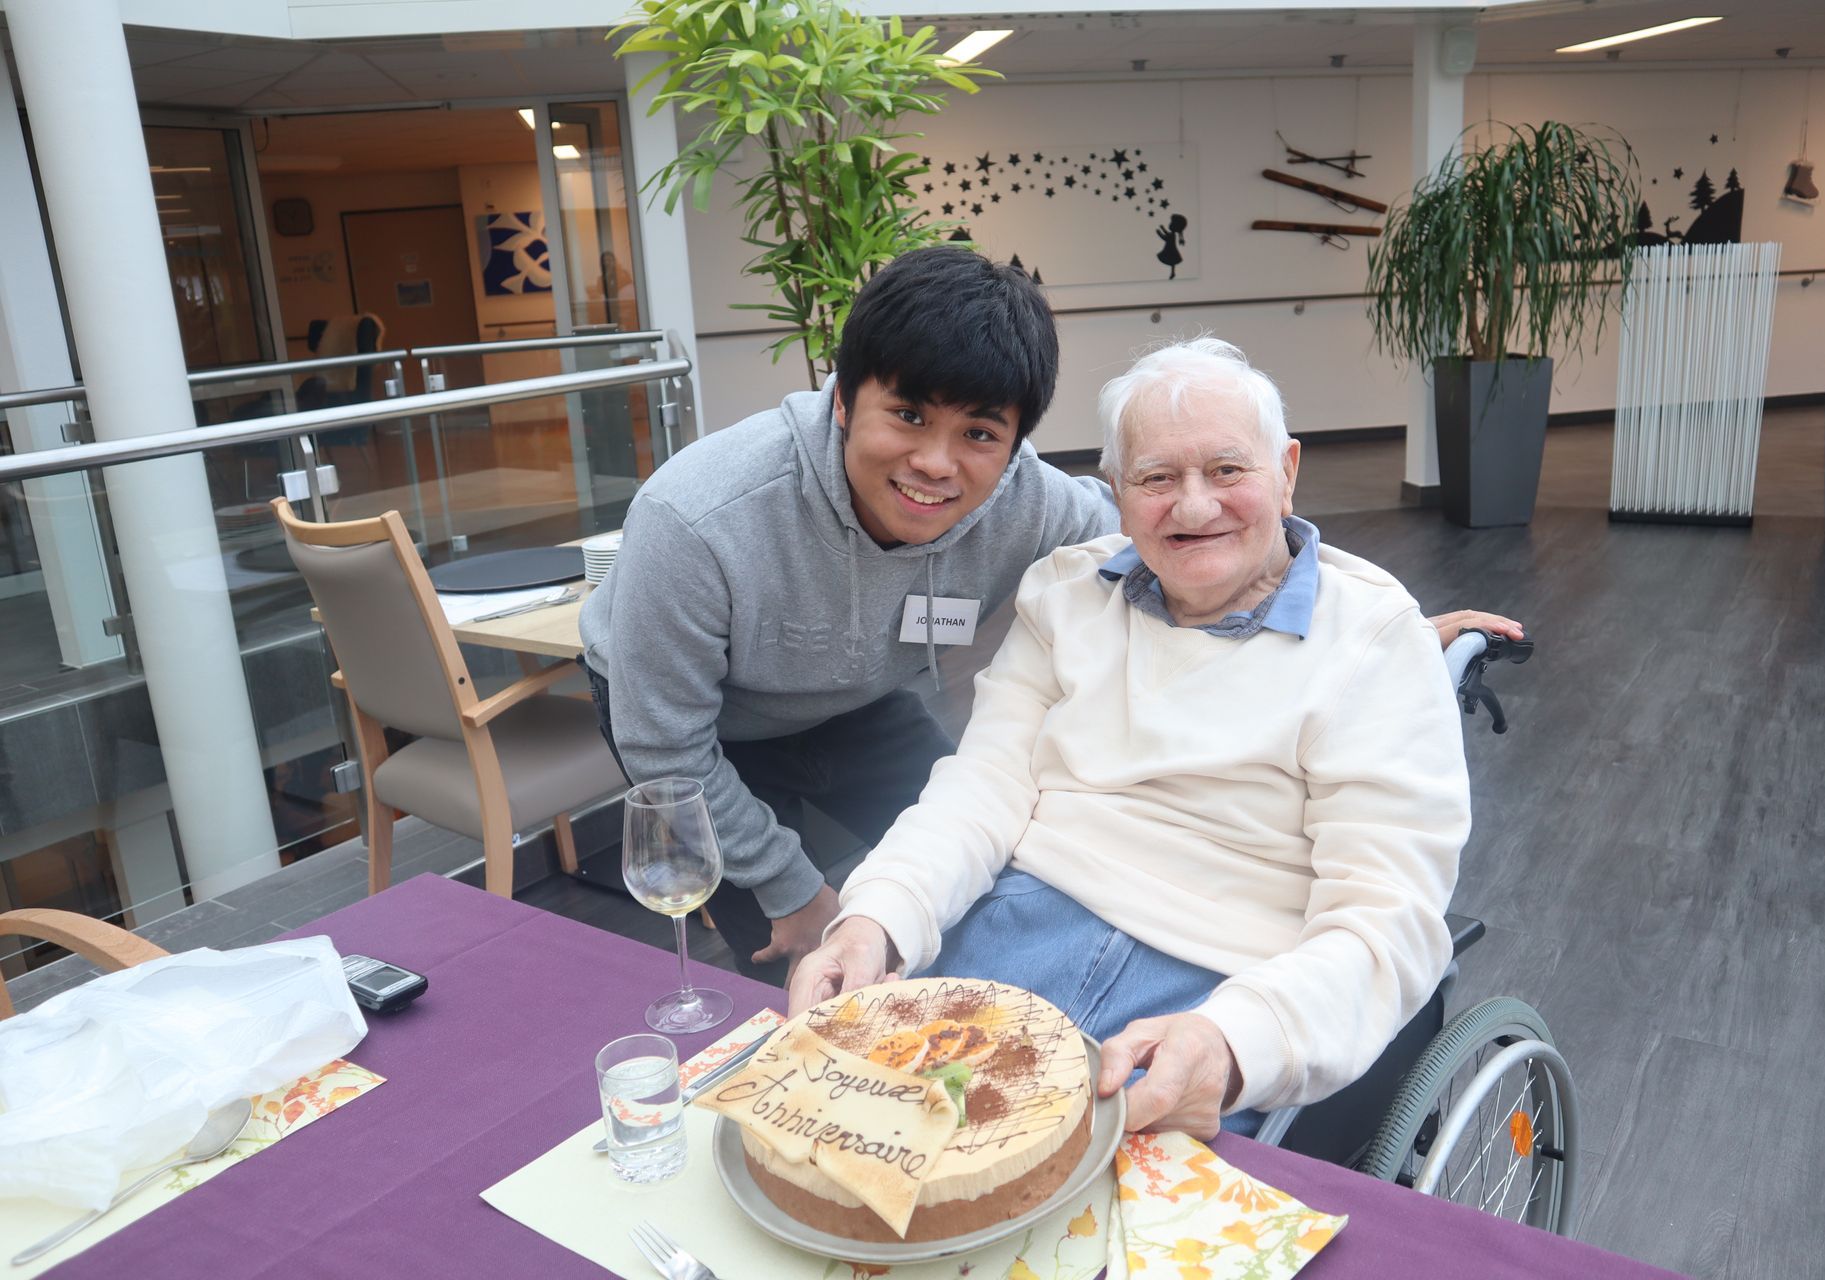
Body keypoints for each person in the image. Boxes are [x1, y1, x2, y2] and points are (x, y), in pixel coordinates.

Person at [582, 245, 1518, 988]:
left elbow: (1194, 537)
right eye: (906, 416)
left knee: (948, 873)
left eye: (979, 433)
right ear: (840, 401)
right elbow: (666, 747)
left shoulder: (1030, 502)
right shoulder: (697, 521)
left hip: (854, 698)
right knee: (791, 944)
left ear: (1019, 441)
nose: (938, 464)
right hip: (700, 732)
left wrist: (1385, 628)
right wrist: (799, 897)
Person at [787, 337, 1471, 1142]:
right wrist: (877, 918)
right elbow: (981, 788)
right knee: (831, 1139)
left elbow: (1385, 920)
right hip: (1009, 933)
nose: (1192, 507)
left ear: (1286, 472)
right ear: (1115, 490)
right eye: (1155, 478)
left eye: (1226, 471)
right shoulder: (1067, 594)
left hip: (1221, 982)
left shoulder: (1375, 641)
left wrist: (1233, 1040)